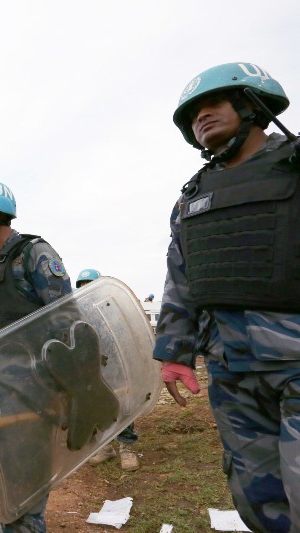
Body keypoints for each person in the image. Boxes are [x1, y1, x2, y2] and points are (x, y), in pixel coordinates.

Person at [155, 62, 300, 533]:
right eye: (193, 112)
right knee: (258, 499)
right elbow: (181, 278)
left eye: (212, 104)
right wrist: (174, 353)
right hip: (232, 371)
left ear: (248, 104)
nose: (201, 117)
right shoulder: (192, 197)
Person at [0, 179, 72, 533]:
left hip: (30, 391)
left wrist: (65, 386)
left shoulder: (34, 253)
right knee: (1, 480)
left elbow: (65, 319)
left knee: (27, 486)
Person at [75, 268, 140, 471]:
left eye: (89, 284)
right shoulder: (77, 314)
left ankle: (127, 446)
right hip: (92, 369)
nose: (85, 288)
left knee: (121, 405)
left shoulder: (110, 309)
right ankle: (105, 447)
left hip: (116, 366)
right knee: (96, 407)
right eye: (82, 285)